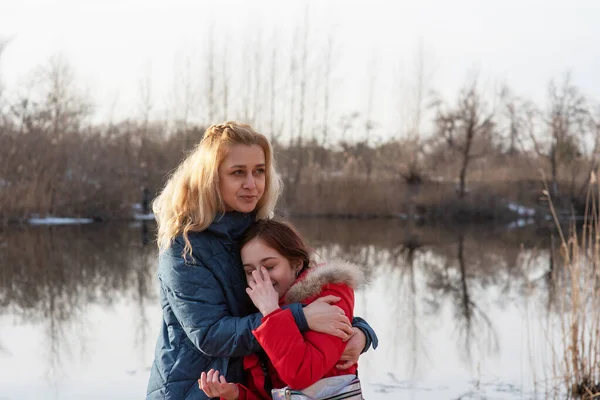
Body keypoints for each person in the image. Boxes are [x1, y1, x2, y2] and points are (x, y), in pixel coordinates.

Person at [146, 122, 378, 400]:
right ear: (210, 178)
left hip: (248, 391)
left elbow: (308, 289)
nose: (251, 184)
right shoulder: (184, 248)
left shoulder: (258, 233)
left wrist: (361, 332)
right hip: (195, 391)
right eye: (237, 173)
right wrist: (300, 318)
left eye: (259, 171)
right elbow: (210, 335)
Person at [199, 219, 365, 400]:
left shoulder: (329, 293)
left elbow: (300, 375)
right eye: (249, 271)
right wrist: (236, 394)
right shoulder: (260, 309)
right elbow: (278, 393)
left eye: (269, 267)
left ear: (297, 263)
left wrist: (272, 313)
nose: (260, 278)